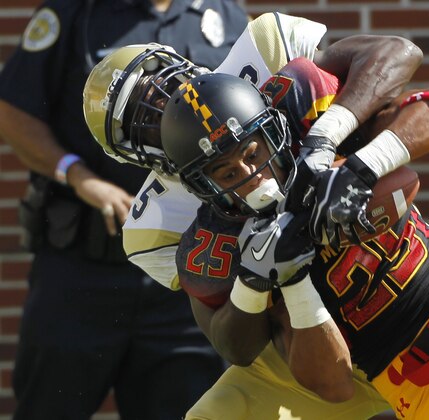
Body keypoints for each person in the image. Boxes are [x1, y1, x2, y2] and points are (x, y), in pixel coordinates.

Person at [159, 60, 429, 419]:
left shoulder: (322, 141)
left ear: (273, 133)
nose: (250, 174)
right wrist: (288, 279)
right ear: (204, 187)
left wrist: (360, 166)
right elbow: (331, 386)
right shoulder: (234, 251)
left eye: (253, 154)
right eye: (227, 172)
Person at [82, 19, 423, 419]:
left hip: (400, 271)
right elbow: (233, 344)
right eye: (150, 122)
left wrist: (329, 136)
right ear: (137, 156)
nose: (174, 109)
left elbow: (399, 53)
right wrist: (254, 279)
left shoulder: (263, 51)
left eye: (166, 87)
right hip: (307, 342)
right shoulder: (154, 223)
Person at [0, 0, 249, 418]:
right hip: (82, 272)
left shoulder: (225, 15)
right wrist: (78, 175)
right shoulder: (74, 13)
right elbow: (13, 109)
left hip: (182, 276)